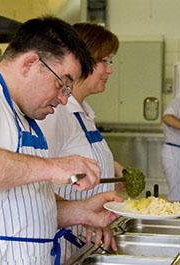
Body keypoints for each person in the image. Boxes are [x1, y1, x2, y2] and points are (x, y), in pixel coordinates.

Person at [0, 16, 122, 265]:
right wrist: (53, 167)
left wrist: (80, 211)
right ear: (30, 63)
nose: (64, 99)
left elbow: (23, 207)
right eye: (62, 84)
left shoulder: (25, 115)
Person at [38, 22, 124, 261]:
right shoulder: (55, 114)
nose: (109, 70)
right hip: (65, 241)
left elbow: (76, 158)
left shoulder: (83, 111)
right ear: (81, 60)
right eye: (104, 61)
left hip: (86, 241)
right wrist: (79, 213)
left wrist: (112, 168)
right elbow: (37, 180)